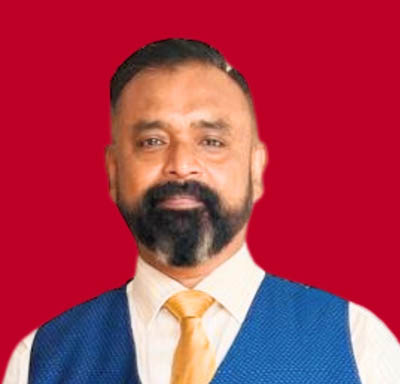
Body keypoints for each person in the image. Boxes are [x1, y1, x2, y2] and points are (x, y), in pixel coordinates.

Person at [3, 38, 400, 384]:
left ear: (255, 169)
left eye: (211, 141)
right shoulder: (42, 360)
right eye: (152, 141)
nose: (181, 164)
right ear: (113, 172)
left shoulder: (359, 344)